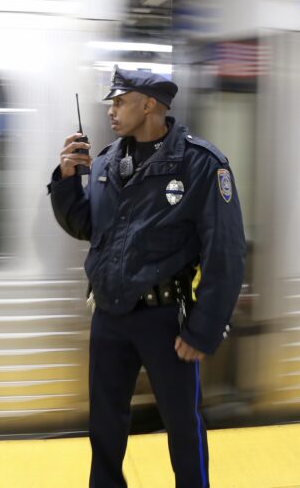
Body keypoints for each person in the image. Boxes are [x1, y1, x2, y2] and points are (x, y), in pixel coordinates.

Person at [48, 67, 245, 488]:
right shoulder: (104, 162)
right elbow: (88, 226)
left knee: (182, 427)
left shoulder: (200, 164)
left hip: (166, 320)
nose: (112, 111)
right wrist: (66, 181)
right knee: (104, 426)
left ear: (150, 104)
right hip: (109, 316)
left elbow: (225, 250)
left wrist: (203, 330)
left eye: (120, 101)